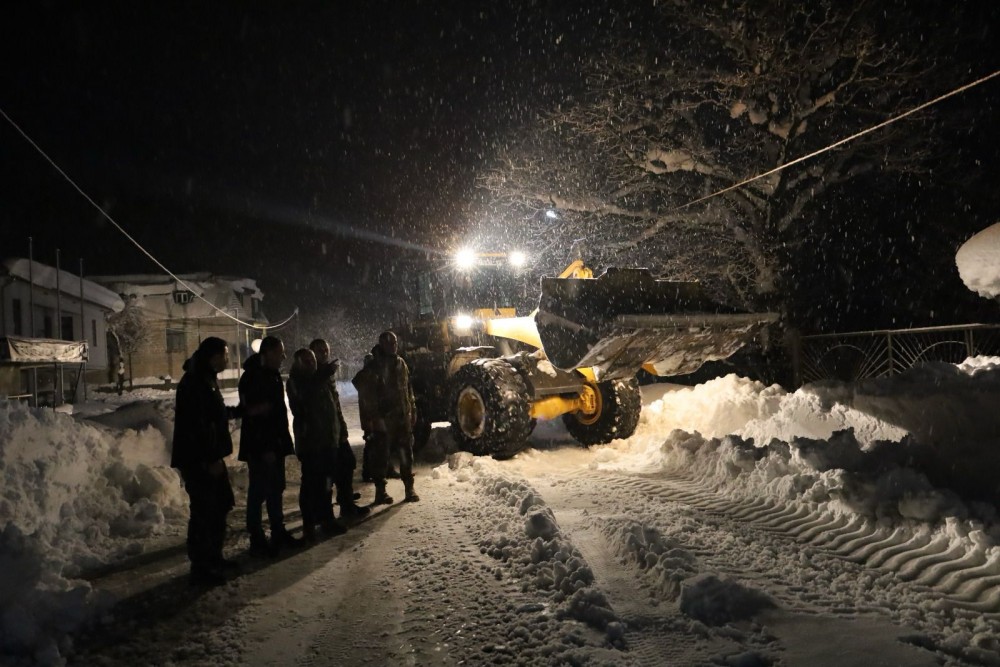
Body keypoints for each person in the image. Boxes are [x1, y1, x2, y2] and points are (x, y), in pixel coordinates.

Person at [170, 337, 239, 586]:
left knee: (219, 506)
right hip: (199, 460)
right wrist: (209, 459)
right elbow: (196, 426)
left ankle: (214, 558)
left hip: (209, 457)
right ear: (213, 357)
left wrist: (234, 412)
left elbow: (214, 415)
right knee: (204, 512)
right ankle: (201, 568)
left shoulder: (206, 378)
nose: (228, 359)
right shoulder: (195, 382)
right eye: (225, 355)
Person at [238, 335, 302, 555]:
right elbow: (255, 417)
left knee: (276, 488)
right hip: (261, 447)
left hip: (274, 444)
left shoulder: (271, 375)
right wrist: (265, 448)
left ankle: (277, 530)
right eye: (280, 352)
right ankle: (257, 537)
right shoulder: (253, 377)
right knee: (259, 490)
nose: (284, 356)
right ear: (268, 353)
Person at [286, 348, 347, 541]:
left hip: (328, 441)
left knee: (326, 483)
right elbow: (301, 404)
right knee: (310, 484)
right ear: (298, 364)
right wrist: (321, 376)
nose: (311, 364)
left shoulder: (319, 380)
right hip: (310, 443)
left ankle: (326, 519)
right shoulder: (296, 381)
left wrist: (338, 432)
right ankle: (309, 524)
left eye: (312, 361)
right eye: (306, 361)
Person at [352, 330, 419, 504]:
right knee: (381, 456)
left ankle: (409, 488)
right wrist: (374, 418)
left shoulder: (401, 363)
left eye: (395, 342)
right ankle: (380, 491)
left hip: (402, 418)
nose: (393, 345)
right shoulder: (374, 366)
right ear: (382, 344)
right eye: (389, 343)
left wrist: (412, 408)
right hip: (384, 420)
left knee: (406, 454)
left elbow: (407, 388)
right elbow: (366, 393)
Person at [309, 338, 370, 519]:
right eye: (319, 351)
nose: (324, 354)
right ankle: (324, 515)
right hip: (322, 436)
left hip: (336, 432)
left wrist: (342, 430)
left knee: (346, 464)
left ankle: (347, 504)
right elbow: (310, 400)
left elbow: (334, 406)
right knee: (325, 476)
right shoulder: (310, 375)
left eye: (326, 350)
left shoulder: (327, 375)